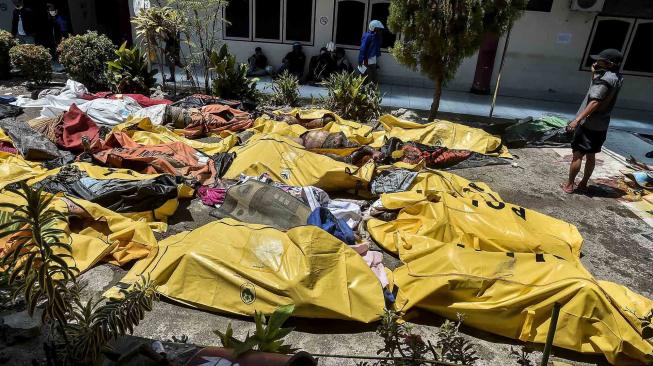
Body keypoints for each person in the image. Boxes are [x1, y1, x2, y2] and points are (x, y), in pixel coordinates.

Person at [562, 48, 624, 194]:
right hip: (601, 125)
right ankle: (583, 184)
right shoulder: (617, 77)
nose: (596, 62)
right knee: (591, 155)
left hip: (588, 124)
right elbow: (596, 91)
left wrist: (577, 120)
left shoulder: (604, 80)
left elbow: (595, 101)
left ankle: (569, 185)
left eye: (600, 60)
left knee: (577, 155)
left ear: (609, 63)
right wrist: (594, 74)